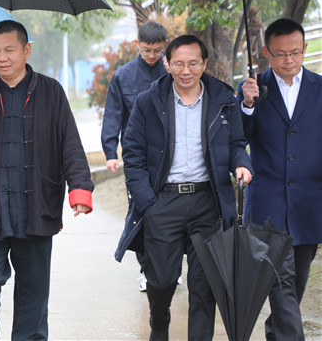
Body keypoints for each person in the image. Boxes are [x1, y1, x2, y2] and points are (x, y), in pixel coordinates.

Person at [0, 20, 93, 340]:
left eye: (9, 50)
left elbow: (69, 143)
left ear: (26, 50)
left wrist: (80, 188)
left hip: (35, 208)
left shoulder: (51, 91)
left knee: (33, 296)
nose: (2, 58)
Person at [115, 34, 253, 341]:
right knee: (162, 281)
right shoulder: (148, 101)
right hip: (163, 202)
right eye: (178, 64)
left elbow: (236, 143)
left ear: (204, 63)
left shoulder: (224, 99)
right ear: (167, 64)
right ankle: (159, 321)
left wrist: (242, 164)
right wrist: (147, 202)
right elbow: (133, 154)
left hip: (208, 201)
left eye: (193, 63)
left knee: (205, 286)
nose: (186, 70)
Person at [238, 18, 321, 341]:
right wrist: (247, 105)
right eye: (281, 54)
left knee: (296, 281)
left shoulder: (319, 87)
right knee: (280, 279)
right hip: (268, 202)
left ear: (305, 49)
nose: (289, 60)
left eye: (296, 52)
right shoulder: (253, 89)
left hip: (309, 202)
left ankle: (277, 333)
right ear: (266, 52)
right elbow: (239, 139)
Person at [101, 21, 168, 292]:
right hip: (138, 157)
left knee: (170, 213)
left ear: (165, 46)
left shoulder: (173, 72)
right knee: (142, 211)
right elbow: (113, 115)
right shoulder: (124, 76)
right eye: (146, 50)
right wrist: (110, 152)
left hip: (170, 154)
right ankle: (147, 269)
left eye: (157, 51)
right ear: (137, 45)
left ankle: (169, 267)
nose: (152, 55)